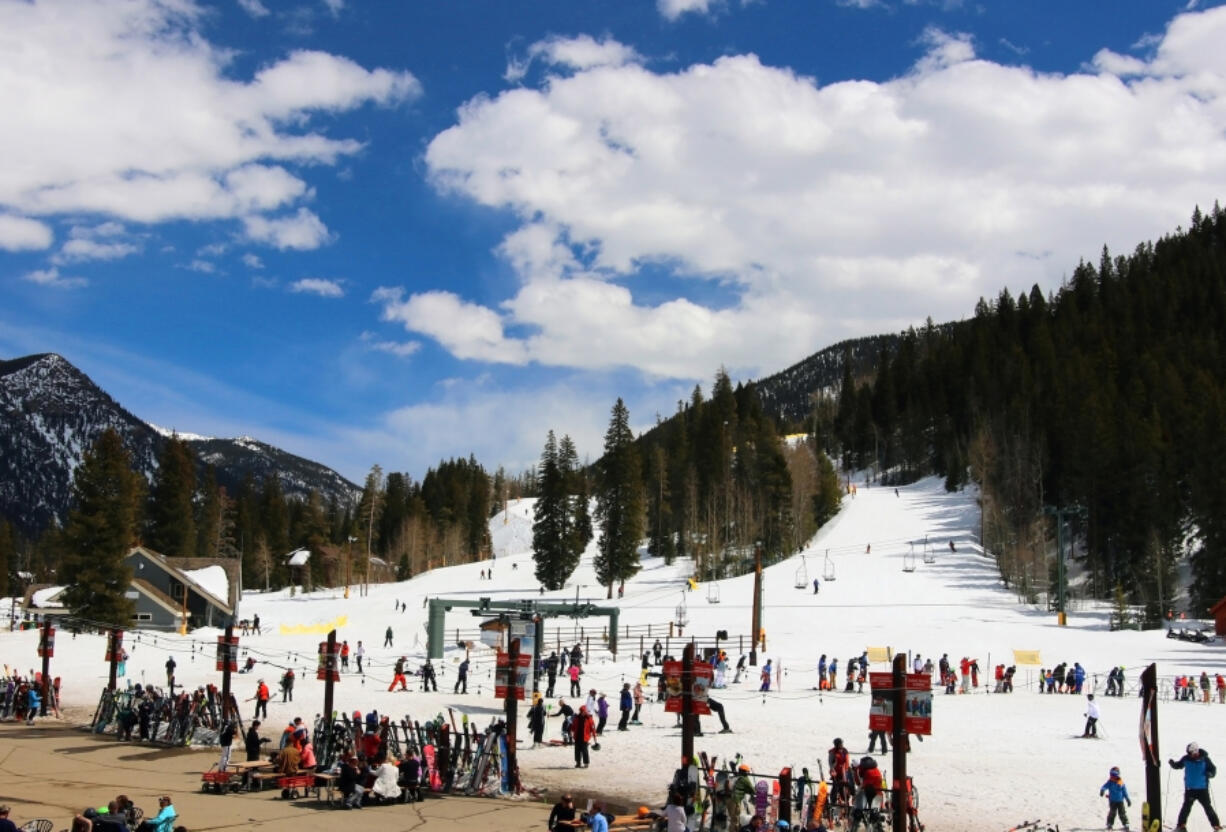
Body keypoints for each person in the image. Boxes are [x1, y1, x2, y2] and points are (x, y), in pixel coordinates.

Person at [1170, 742, 1219, 831]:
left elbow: (1213, 769)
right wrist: (1173, 764)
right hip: (1190, 789)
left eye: (1192, 753)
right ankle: (1181, 826)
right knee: (1186, 808)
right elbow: (1179, 765)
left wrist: (1210, 774)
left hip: (1202, 789)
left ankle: (1216, 825)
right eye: (1190, 753)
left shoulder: (1205, 759)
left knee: (1208, 808)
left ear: (1196, 751)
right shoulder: (1186, 759)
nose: (1192, 755)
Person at [849, 756, 884, 832]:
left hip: (868, 792)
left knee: (858, 812)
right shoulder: (876, 769)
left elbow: (860, 784)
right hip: (878, 792)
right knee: (875, 813)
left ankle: (854, 828)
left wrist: (855, 795)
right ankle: (879, 829)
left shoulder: (863, 771)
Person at [1099, 765, 1131, 830]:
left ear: (1117, 775)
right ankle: (1109, 824)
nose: (1112, 777)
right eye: (1111, 775)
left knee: (1122, 813)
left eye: (1114, 775)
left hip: (1120, 801)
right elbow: (1104, 786)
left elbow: (1125, 792)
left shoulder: (1121, 783)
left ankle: (1126, 824)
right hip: (1112, 801)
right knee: (1112, 812)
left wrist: (1127, 799)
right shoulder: (1110, 782)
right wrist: (1102, 790)